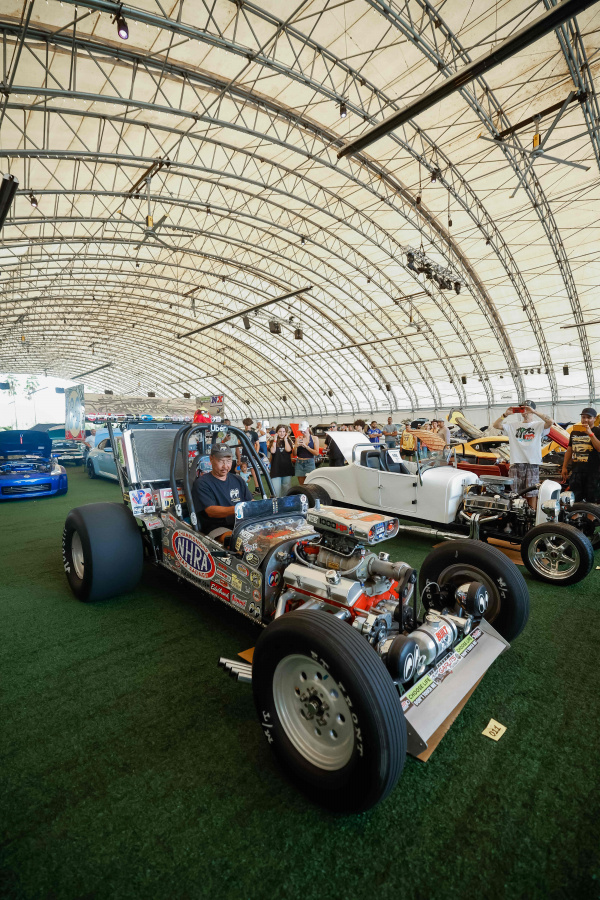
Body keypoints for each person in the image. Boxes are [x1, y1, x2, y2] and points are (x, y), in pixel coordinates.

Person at [492, 402, 553, 509]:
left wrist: (534, 412)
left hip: (532, 463)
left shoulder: (538, 425)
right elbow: (496, 425)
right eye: (522, 409)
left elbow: (550, 421)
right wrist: (505, 415)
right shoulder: (513, 426)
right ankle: (517, 514)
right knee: (515, 494)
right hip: (516, 463)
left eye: (526, 409)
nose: (525, 412)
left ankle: (532, 514)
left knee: (532, 493)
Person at [192, 444, 252, 544]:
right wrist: (239, 509)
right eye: (221, 461)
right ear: (211, 459)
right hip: (218, 527)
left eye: (228, 461)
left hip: (241, 523)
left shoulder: (238, 479)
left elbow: (250, 501)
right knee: (239, 543)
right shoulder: (202, 483)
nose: (225, 466)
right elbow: (211, 511)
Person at [561, 407, 600, 502]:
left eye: (589, 417)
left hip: (593, 472)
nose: (585, 420)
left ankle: (591, 512)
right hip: (576, 472)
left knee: (593, 500)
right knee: (575, 499)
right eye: (583, 417)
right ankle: (576, 512)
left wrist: (590, 434)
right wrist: (564, 467)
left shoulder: (598, 431)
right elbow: (569, 450)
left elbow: (599, 448)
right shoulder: (574, 432)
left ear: (595, 419)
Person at [267, 424, 294, 496]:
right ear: (277, 432)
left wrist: (285, 440)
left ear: (286, 433)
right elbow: (272, 451)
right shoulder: (272, 442)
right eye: (280, 431)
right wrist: (275, 440)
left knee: (286, 491)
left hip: (286, 469)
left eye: (283, 431)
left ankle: (285, 503)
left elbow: (288, 450)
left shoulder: (288, 441)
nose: (282, 433)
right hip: (276, 469)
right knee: (276, 491)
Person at [294, 420, 319, 484]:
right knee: (302, 485)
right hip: (299, 462)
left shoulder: (314, 438)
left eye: (303, 430)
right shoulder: (298, 439)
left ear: (308, 428)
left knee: (311, 483)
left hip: (310, 462)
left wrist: (306, 447)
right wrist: (295, 447)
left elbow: (316, 453)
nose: (302, 432)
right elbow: (294, 454)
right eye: (301, 430)